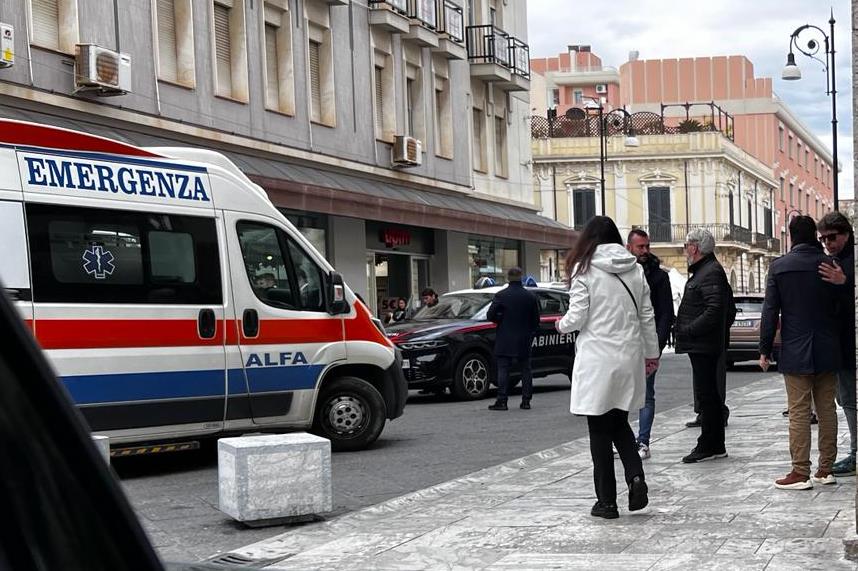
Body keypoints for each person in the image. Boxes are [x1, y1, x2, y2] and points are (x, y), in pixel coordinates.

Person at [556, 216, 659, 519]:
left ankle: (607, 501)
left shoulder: (583, 269)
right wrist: (652, 354)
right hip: (628, 355)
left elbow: (577, 317)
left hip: (597, 358)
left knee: (598, 429)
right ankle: (635, 475)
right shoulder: (636, 270)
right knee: (618, 421)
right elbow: (647, 316)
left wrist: (560, 325)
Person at [760, 215, 841, 489]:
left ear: (792, 237)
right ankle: (826, 469)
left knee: (799, 411)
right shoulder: (832, 265)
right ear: (815, 236)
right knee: (827, 408)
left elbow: (770, 311)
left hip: (796, 349)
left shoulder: (780, 267)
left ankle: (800, 472)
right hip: (829, 347)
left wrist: (764, 348)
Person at [674, 228, 735, 463]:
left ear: (695, 247)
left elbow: (716, 310)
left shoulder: (710, 272)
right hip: (703, 344)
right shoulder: (706, 271)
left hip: (705, 345)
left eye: (687, 245)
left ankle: (709, 444)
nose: (686, 249)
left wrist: (689, 330)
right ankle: (714, 443)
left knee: (708, 396)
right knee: (708, 395)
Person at [626, 229, 675, 460]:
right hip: (624, 343)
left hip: (648, 344)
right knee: (622, 393)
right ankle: (625, 440)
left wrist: (658, 344)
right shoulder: (622, 274)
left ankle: (642, 441)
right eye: (640, 247)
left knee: (646, 394)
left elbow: (666, 313)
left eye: (646, 246)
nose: (645, 251)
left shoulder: (659, 277)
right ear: (629, 247)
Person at [817, 212, 856, 477]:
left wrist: (844, 284)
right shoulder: (836, 261)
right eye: (823, 239)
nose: (828, 243)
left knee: (850, 399)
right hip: (841, 343)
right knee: (845, 398)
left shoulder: (849, 264)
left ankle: (855, 453)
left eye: (832, 237)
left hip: (850, 344)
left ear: (846, 234)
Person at [486, 267, 540, 411]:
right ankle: (526, 401)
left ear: (508, 278)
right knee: (526, 370)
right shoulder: (530, 296)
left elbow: (490, 315)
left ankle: (502, 401)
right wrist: (529, 331)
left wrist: (500, 319)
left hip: (505, 337)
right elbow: (536, 320)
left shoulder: (501, 295)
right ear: (521, 277)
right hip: (524, 338)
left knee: (503, 369)